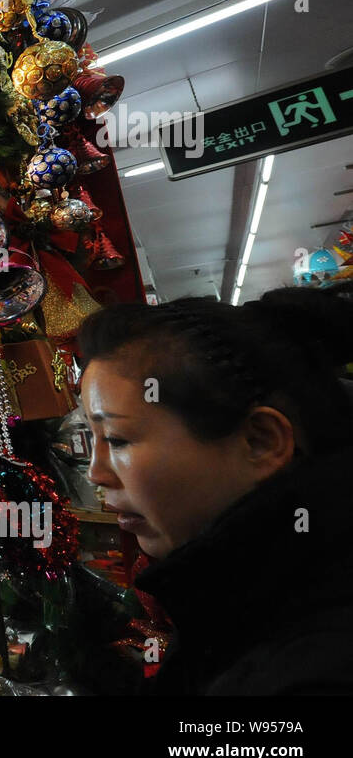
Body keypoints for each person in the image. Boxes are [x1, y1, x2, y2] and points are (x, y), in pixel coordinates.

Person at [77, 286, 353, 694]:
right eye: (92, 439)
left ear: (260, 441)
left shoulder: (314, 665)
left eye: (116, 439)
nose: (96, 474)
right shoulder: (239, 603)